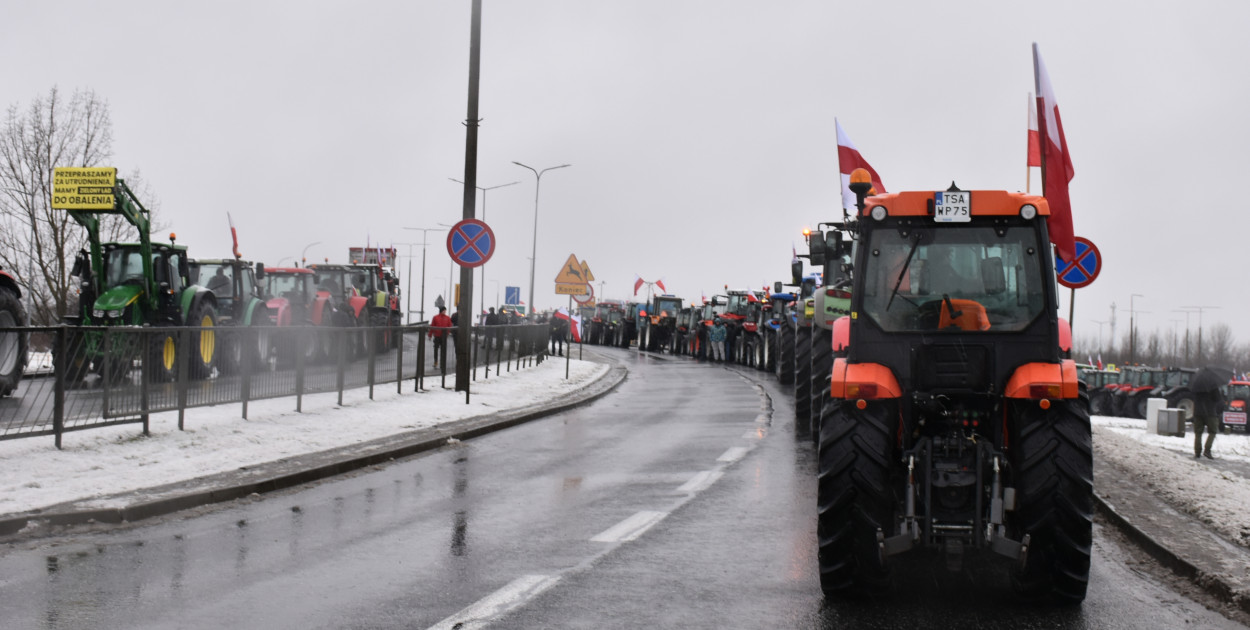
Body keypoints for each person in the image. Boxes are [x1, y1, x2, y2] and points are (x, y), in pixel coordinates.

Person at [1193, 387, 1226, 459]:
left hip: (1198, 412)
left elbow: (1193, 397)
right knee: (1213, 431)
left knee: (1198, 433)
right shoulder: (1213, 387)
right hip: (1210, 413)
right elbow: (1218, 399)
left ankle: (1197, 452)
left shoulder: (1197, 386)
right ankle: (1207, 450)